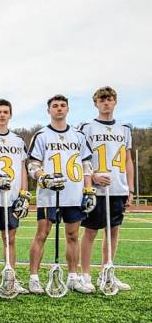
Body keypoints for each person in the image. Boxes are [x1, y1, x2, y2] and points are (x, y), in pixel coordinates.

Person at [27, 94, 97, 294]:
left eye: (62, 105)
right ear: (48, 110)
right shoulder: (41, 135)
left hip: (73, 194)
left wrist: (89, 189)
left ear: (68, 109)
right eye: (55, 106)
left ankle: (73, 277)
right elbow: (33, 164)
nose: (59, 108)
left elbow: (86, 165)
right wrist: (43, 177)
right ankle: (33, 277)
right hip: (50, 194)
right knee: (42, 234)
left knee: (73, 235)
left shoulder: (78, 135)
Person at [79, 86, 133, 291]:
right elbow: (81, 158)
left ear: (115, 102)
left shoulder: (125, 129)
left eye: (109, 99)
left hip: (118, 187)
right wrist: (92, 177)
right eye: (102, 100)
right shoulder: (87, 127)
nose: (106, 103)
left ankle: (107, 271)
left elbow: (128, 160)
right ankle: (85, 274)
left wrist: (130, 188)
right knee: (91, 232)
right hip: (96, 188)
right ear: (96, 104)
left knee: (113, 231)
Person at [0, 99, 31, 295]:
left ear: (10, 115)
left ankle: (10, 276)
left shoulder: (18, 140)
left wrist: (24, 194)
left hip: (11, 198)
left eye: (5, 112)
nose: (2, 115)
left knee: (10, 238)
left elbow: (22, 169)